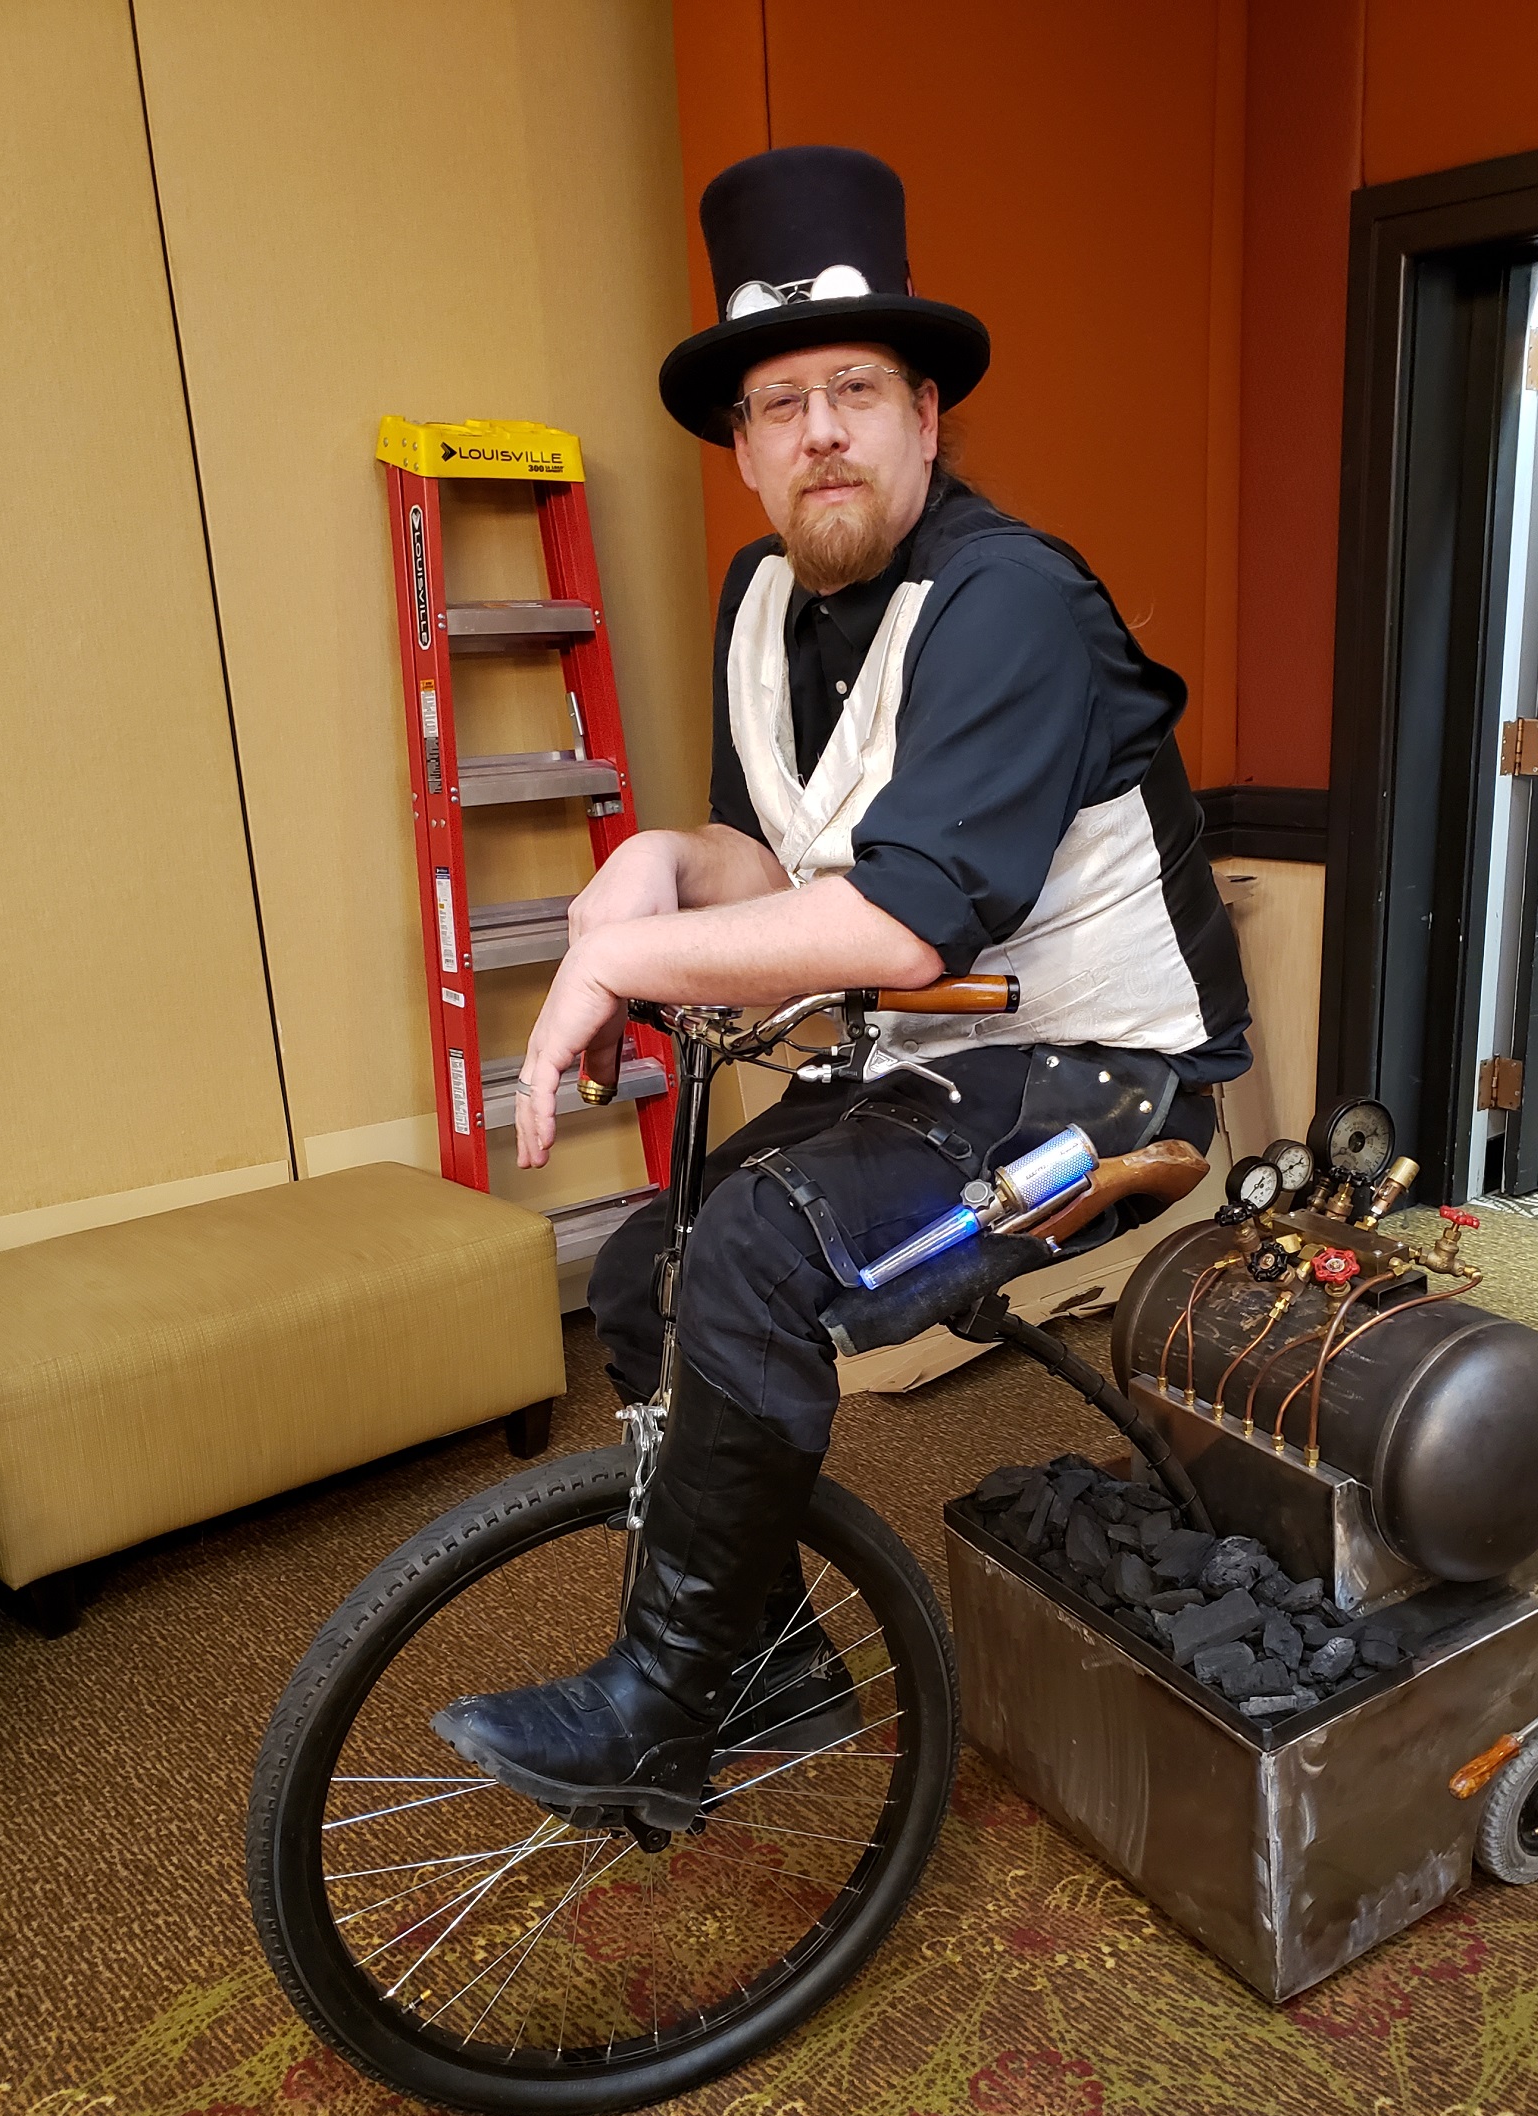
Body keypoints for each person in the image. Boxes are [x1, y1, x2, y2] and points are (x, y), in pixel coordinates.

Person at [434, 145, 1251, 1818]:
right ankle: (772, 1660)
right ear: (741, 448)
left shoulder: (1011, 600)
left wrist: (616, 956)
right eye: (781, 402)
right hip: (929, 1063)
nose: (822, 432)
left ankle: (660, 1701)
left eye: (858, 391)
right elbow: (781, 868)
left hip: (1104, 1080)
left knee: (751, 1248)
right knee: (647, 1269)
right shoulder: (758, 601)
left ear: (925, 419)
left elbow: (904, 923)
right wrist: (659, 866)